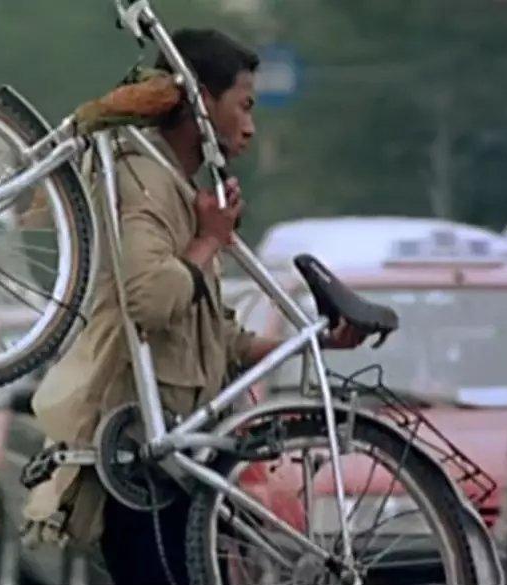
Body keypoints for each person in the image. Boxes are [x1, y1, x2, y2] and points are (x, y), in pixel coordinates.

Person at [22, 28, 366, 585]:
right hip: (146, 459)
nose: (251, 126)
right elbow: (150, 302)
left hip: (186, 459)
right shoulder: (141, 179)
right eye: (244, 106)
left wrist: (315, 342)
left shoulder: (183, 190)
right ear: (202, 101)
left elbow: (216, 340)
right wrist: (208, 241)